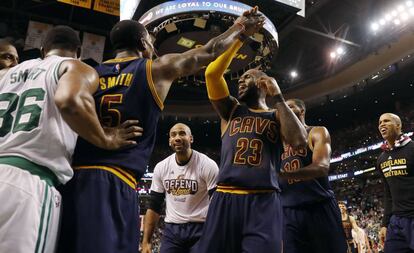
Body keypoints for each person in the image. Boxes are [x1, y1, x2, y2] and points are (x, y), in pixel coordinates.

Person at [58, 7, 265, 253]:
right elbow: (209, 51)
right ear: (144, 43)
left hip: (72, 178)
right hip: (114, 179)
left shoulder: (88, 73)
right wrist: (240, 28)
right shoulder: (154, 69)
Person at [0, 26, 141, 253]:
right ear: (78, 51)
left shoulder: (5, 74)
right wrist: (106, 138)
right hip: (28, 184)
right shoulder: (72, 66)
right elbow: (69, 101)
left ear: (43, 49)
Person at [195, 35, 308, 252]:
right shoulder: (231, 110)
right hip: (226, 196)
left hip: (264, 201)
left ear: (264, 84)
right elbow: (211, 74)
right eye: (240, 79)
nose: (240, 81)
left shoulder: (277, 114)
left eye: (247, 77)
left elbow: (299, 141)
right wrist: (240, 38)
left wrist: (280, 98)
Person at [278, 98, 348, 253]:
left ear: (302, 111)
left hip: (319, 206)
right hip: (288, 211)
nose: (284, 110)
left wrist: (282, 174)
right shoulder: (277, 142)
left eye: (289, 107)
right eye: (282, 108)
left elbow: (321, 167)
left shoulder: (316, 131)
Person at [142, 123, 219, 253]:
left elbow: (217, 205)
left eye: (182, 133)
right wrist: (146, 241)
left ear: (191, 138)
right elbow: (154, 205)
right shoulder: (161, 167)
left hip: (201, 227)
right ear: (170, 141)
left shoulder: (207, 165)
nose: (177, 138)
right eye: (173, 135)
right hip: (172, 231)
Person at [377, 113, 414, 253]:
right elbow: (388, 194)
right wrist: (385, 224)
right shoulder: (381, 159)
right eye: (380, 123)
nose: (382, 125)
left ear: (398, 125)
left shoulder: (412, 149)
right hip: (396, 221)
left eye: (386, 121)